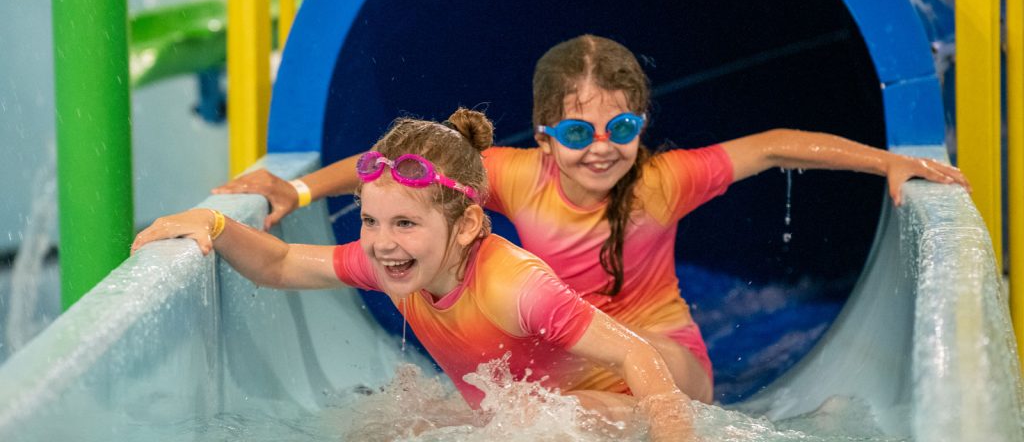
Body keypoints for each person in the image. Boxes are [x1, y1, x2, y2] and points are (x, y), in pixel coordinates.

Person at [213, 35, 971, 404]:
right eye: (577, 134)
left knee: (566, 410)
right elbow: (403, 169)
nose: (600, 150)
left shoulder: (663, 183)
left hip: (658, 356)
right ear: (543, 137)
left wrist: (887, 162)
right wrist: (299, 191)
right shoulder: (511, 177)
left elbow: (773, 147)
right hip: (560, 354)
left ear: (642, 127)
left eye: (621, 129)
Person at [134, 108, 694, 441]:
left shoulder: (517, 286)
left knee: (526, 421)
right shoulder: (392, 262)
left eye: (405, 222)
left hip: (617, 411)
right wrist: (211, 222)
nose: (381, 242)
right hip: (519, 416)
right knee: (378, 426)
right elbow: (280, 263)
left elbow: (636, 355)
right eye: (371, 221)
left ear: (470, 223)